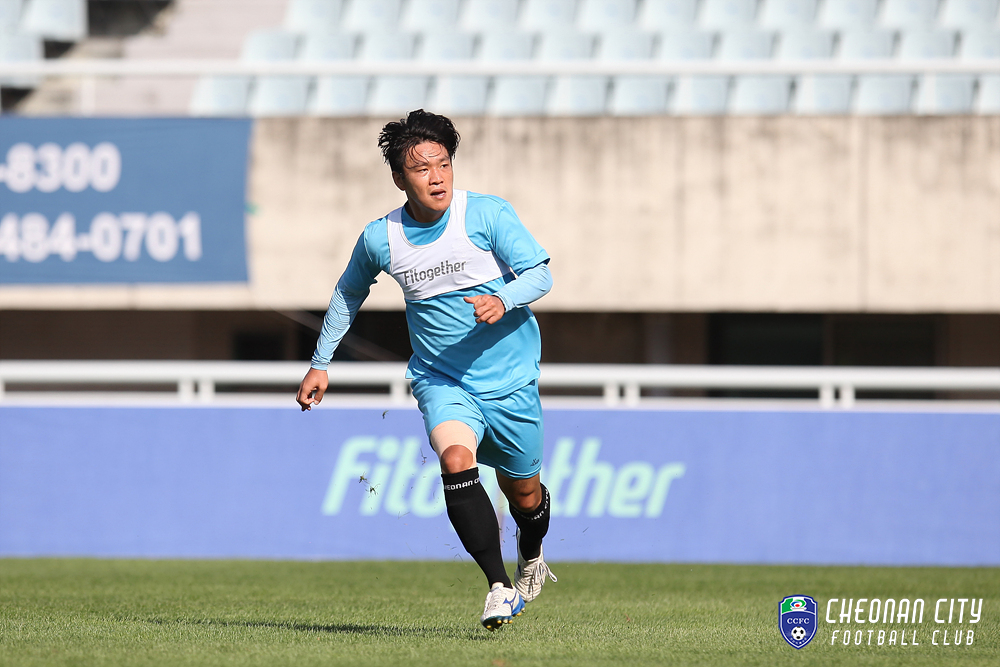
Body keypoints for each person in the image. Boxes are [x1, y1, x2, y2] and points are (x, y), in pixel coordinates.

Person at [296, 110, 556, 630]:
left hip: (510, 383)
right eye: (421, 169)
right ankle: (498, 587)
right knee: (456, 459)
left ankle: (531, 555)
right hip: (442, 380)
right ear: (399, 178)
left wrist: (503, 299)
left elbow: (540, 274)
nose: (436, 178)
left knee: (525, 494)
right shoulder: (381, 238)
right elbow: (348, 293)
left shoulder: (485, 214)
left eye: (443, 164)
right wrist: (320, 363)